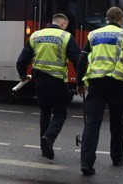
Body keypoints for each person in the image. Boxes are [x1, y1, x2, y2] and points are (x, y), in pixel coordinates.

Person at [76, 6, 123, 176]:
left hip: (96, 84)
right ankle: (117, 157)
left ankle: (86, 163)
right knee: (117, 123)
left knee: (92, 123)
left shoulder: (93, 34)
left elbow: (82, 59)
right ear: (120, 20)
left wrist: (80, 81)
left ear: (106, 18)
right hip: (117, 85)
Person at [15, 13, 80, 159]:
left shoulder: (36, 36)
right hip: (57, 81)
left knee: (45, 112)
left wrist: (22, 76)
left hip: (40, 81)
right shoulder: (66, 37)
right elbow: (78, 61)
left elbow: (21, 60)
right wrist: (80, 82)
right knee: (60, 113)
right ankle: (49, 139)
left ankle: (44, 148)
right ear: (62, 23)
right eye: (66, 25)